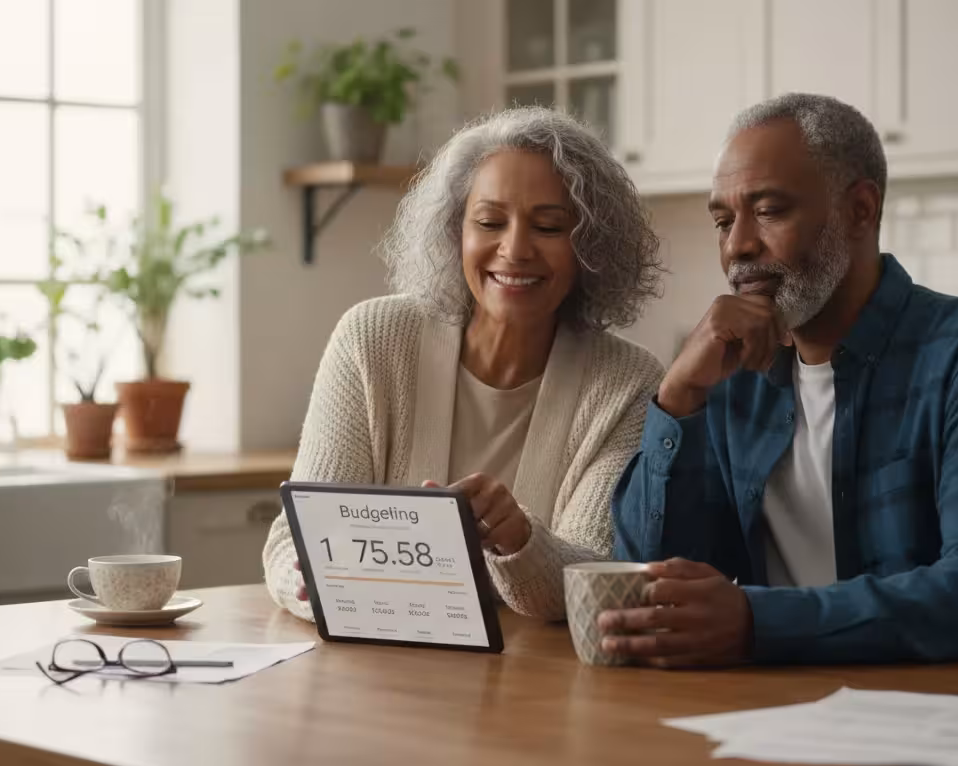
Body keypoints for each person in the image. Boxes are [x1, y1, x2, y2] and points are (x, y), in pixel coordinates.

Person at [603, 93, 958, 667]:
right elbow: (650, 588)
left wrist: (756, 622)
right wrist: (677, 399)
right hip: (801, 718)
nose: (737, 245)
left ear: (860, 210)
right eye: (723, 220)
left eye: (769, 210)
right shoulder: (732, 376)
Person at [264, 107, 666, 622]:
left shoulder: (629, 383)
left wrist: (517, 536)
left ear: (589, 245)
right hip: (373, 666)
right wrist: (307, 580)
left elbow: (589, 584)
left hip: (537, 680)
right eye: (489, 222)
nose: (515, 249)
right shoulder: (373, 339)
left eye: (548, 226)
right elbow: (291, 540)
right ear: (456, 234)